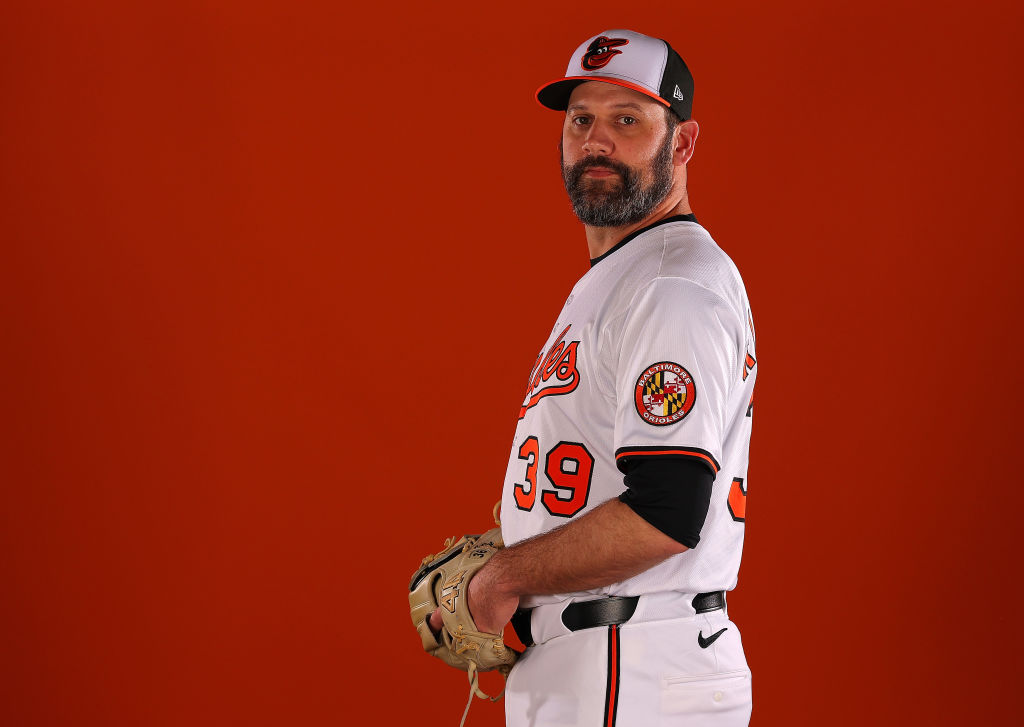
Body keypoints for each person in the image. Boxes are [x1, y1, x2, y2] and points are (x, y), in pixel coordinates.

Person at [430, 28, 756, 726]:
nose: (597, 141)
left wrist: (502, 578)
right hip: (604, 658)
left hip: (632, 663)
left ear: (683, 144)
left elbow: (667, 510)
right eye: (581, 120)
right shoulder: (626, 276)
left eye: (626, 120)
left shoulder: (671, 285)